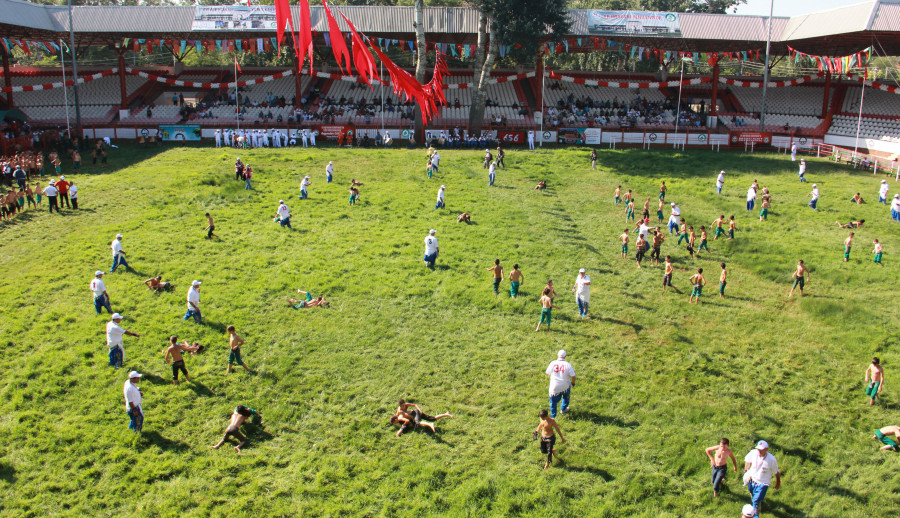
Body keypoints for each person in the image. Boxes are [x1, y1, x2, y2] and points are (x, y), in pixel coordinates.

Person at [743, 441, 781, 514]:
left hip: (763, 483)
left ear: (766, 449)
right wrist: (746, 471)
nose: (759, 451)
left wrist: (778, 482)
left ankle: (755, 513)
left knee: (755, 501)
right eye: (758, 449)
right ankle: (758, 503)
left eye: (761, 449)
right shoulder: (753, 453)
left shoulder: (771, 459)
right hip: (752, 479)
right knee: (751, 492)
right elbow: (747, 460)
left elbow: (776, 472)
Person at [545, 349, 575, 418]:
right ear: (565, 356)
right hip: (565, 385)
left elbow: (547, 372)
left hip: (554, 387)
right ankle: (563, 409)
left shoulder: (553, 363)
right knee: (566, 397)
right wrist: (573, 383)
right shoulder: (567, 364)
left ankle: (553, 416)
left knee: (553, 402)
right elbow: (573, 376)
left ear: (557, 355)